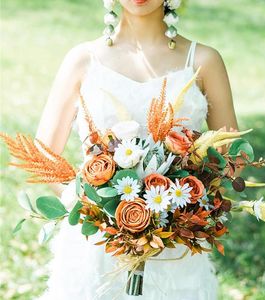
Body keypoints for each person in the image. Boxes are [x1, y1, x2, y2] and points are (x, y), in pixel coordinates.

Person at [36, 1, 238, 299]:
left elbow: (233, 158)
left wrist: (180, 207)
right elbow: (43, 156)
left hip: (174, 247)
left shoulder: (203, 60)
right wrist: (100, 209)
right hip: (97, 246)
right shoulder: (82, 60)